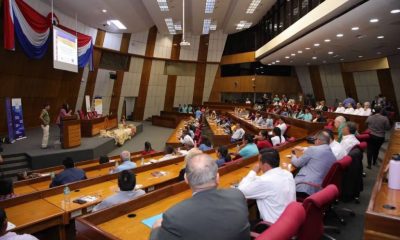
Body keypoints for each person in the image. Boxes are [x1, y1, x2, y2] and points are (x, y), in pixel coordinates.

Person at [150, 154, 250, 240]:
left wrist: (155, 228)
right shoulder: (237, 195)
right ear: (217, 178)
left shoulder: (173, 216)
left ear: (186, 179)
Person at [238, 149, 295, 223]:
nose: (258, 164)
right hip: (289, 221)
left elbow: (241, 191)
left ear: (265, 165)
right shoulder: (288, 174)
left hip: (273, 227)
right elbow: (269, 181)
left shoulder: (265, 181)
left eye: (259, 162)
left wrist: (253, 172)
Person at [291, 131, 336, 197]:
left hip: (305, 187)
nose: (314, 142)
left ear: (318, 140)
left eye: (315, 139)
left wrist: (293, 156)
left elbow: (297, 164)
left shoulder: (313, 149)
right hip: (318, 189)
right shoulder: (333, 156)